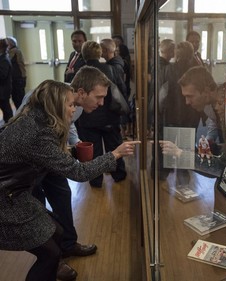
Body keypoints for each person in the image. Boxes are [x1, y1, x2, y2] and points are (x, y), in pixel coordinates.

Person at [0, 79, 139, 281]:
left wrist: (73, 151)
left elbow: (47, 156)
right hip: (6, 200)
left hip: (14, 193)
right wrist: (114, 155)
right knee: (50, 254)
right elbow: (79, 173)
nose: (74, 110)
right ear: (55, 104)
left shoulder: (35, 120)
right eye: (70, 104)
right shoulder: (39, 134)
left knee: (56, 231)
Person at [20, 66, 112, 280]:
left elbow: (68, 126)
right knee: (39, 208)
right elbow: (23, 132)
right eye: (98, 97)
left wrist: (76, 142)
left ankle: (68, 244)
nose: (101, 103)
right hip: (30, 165)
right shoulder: (41, 99)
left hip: (52, 157)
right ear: (81, 92)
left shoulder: (75, 106)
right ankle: (54, 259)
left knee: (62, 196)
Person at [77, 40, 127, 188]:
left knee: (93, 151)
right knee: (115, 147)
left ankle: (96, 180)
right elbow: (121, 92)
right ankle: (119, 175)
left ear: (83, 54)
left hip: (86, 118)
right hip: (110, 116)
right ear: (100, 53)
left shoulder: (79, 72)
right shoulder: (110, 69)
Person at [6, 36, 27, 109]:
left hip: (18, 79)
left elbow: (20, 65)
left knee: (19, 99)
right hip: (13, 79)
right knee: (15, 98)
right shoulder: (8, 53)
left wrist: (23, 77)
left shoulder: (16, 52)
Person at [0, 38, 13, 124]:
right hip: (2, 90)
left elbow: (2, 75)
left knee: (6, 110)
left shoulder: (4, 59)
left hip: (3, 90)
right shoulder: (2, 58)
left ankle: (10, 126)